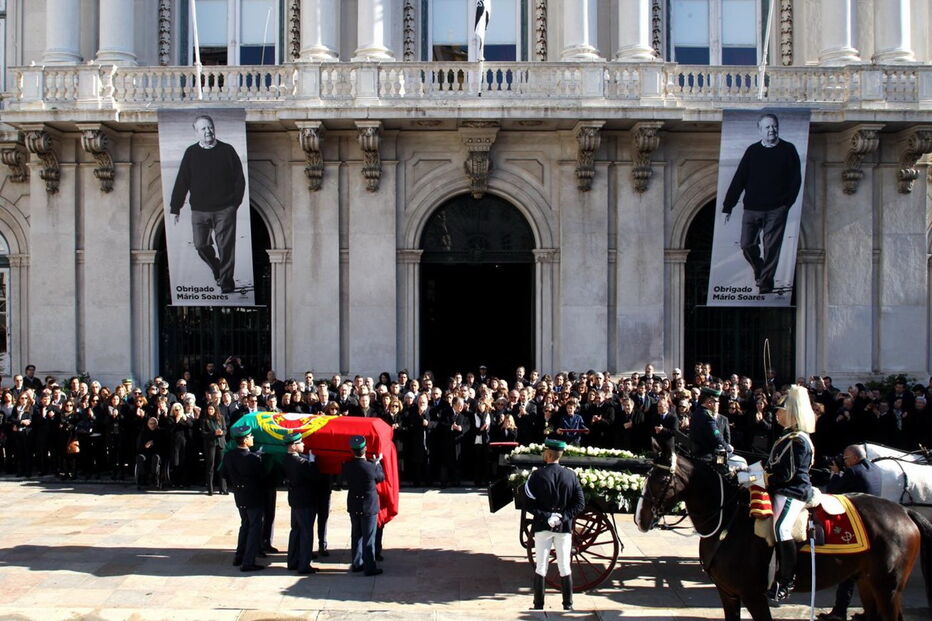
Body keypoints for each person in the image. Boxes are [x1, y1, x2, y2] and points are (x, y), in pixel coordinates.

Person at [721, 113, 802, 294]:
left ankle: (765, 283)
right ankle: (760, 270)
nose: (771, 130)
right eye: (767, 127)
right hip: (752, 208)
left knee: (771, 247)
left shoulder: (789, 149)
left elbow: (796, 179)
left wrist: (786, 204)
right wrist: (728, 206)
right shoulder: (752, 151)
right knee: (746, 244)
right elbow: (739, 179)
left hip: (776, 209)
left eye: (774, 126)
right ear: (760, 130)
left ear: (778, 127)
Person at [169, 114, 246, 294]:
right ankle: (218, 268)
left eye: (210, 127)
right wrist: (175, 207)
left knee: (225, 247)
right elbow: (182, 180)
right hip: (199, 210)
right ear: (196, 133)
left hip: (224, 209)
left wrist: (234, 204)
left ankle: (226, 282)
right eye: (203, 129)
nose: (208, 131)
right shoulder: (191, 153)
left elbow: (239, 180)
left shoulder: (227, 150)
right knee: (200, 245)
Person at [817, 444, 882, 621]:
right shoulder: (876, 469)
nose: (844, 462)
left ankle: (839, 612)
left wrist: (836, 473)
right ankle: (870, 611)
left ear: (853, 457)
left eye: (845, 459)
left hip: (857, 524)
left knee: (848, 574)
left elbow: (831, 492)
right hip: (875, 519)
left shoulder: (852, 472)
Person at [764, 385, 815, 602]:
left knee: (781, 527)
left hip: (792, 491)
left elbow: (786, 474)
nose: (777, 414)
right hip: (781, 489)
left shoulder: (798, 440)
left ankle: (787, 580)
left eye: (780, 410)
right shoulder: (788, 437)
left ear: (792, 413)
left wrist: (763, 478)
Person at [524, 438, 585, 611]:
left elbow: (528, 503)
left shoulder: (537, 475)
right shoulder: (571, 475)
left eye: (545, 452)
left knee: (541, 565)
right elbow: (580, 504)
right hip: (563, 528)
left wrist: (547, 516)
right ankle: (568, 605)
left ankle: (538, 605)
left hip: (543, 526)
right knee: (565, 566)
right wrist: (562, 517)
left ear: (549, 455)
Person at [221, 424, 266, 572]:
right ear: (245, 440)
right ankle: (248, 561)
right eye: (251, 436)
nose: (253, 438)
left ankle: (239, 555)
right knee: (254, 528)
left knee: (245, 525)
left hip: (239, 496)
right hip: (253, 496)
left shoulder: (229, 456)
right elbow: (262, 477)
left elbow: (223, 474)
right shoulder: (253, 459)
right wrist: (259, 459)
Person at [342, 435, 385, 576]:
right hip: (368, 506)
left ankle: (357, 563)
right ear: (365, 449)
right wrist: (378, 463)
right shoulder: (371, 467)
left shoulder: (347, 466)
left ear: (351, 451)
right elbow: (380, 478)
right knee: (369, 537)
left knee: (356, 535)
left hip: (354, 504)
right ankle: (370, 567)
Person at [281, 432, 321, 575]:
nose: (303, 444)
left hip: (295, 499)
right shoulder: (302, 463)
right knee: (306, 532)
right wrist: (313, 463)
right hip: (305, 500)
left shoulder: (286, 459)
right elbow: (315, 477)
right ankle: (304, 565)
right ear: (293, 446)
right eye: (300, 443)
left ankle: (292, 561)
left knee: (296, 530)